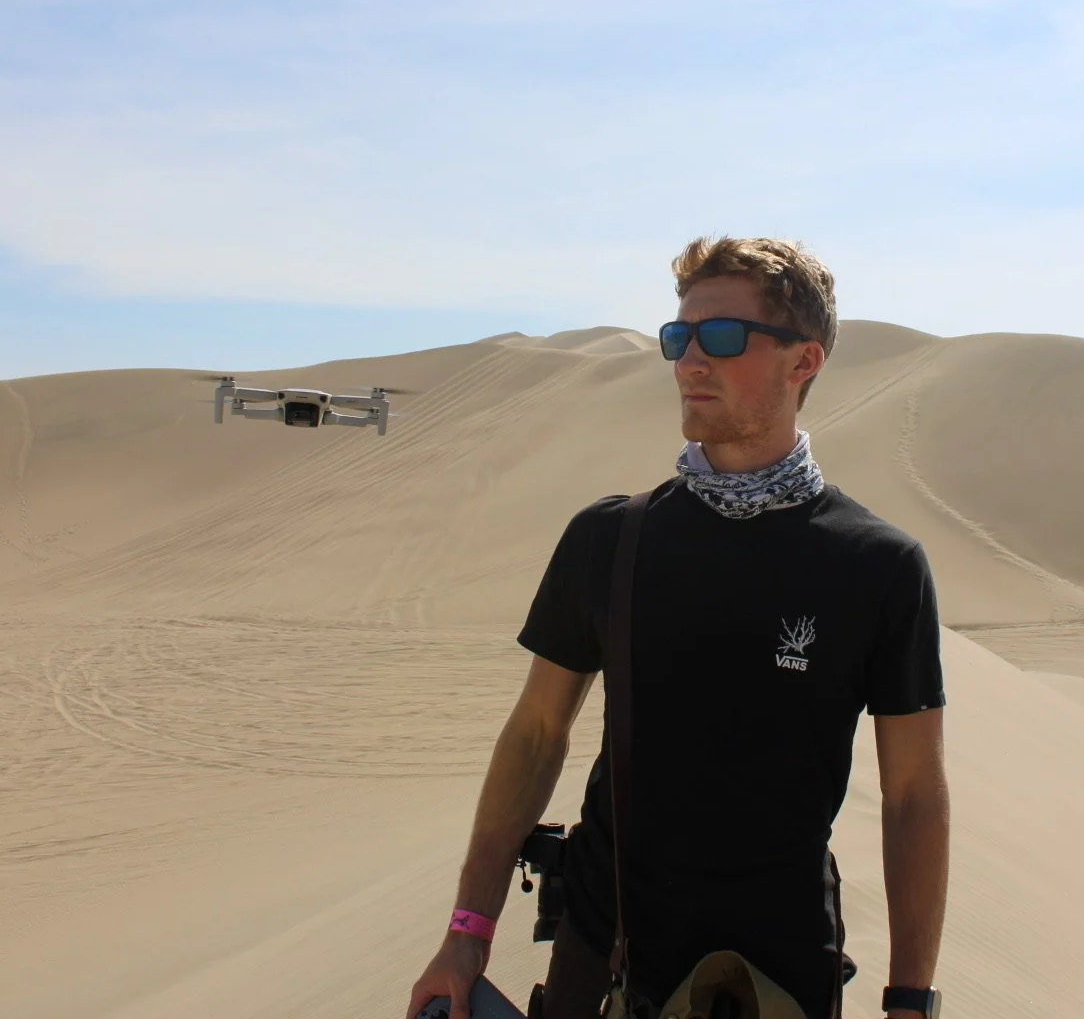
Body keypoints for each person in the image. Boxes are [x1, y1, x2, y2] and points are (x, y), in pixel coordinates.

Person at [406, 237, 949, 1019]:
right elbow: (534, 735)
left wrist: (910, 1001)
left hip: (779, 977)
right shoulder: (611, 540)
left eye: (722, 338)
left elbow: (914, 796)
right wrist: (467, 933)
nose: (691, 361)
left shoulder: (879, 566)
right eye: (679, 336)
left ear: (805, 362)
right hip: (602, 961)